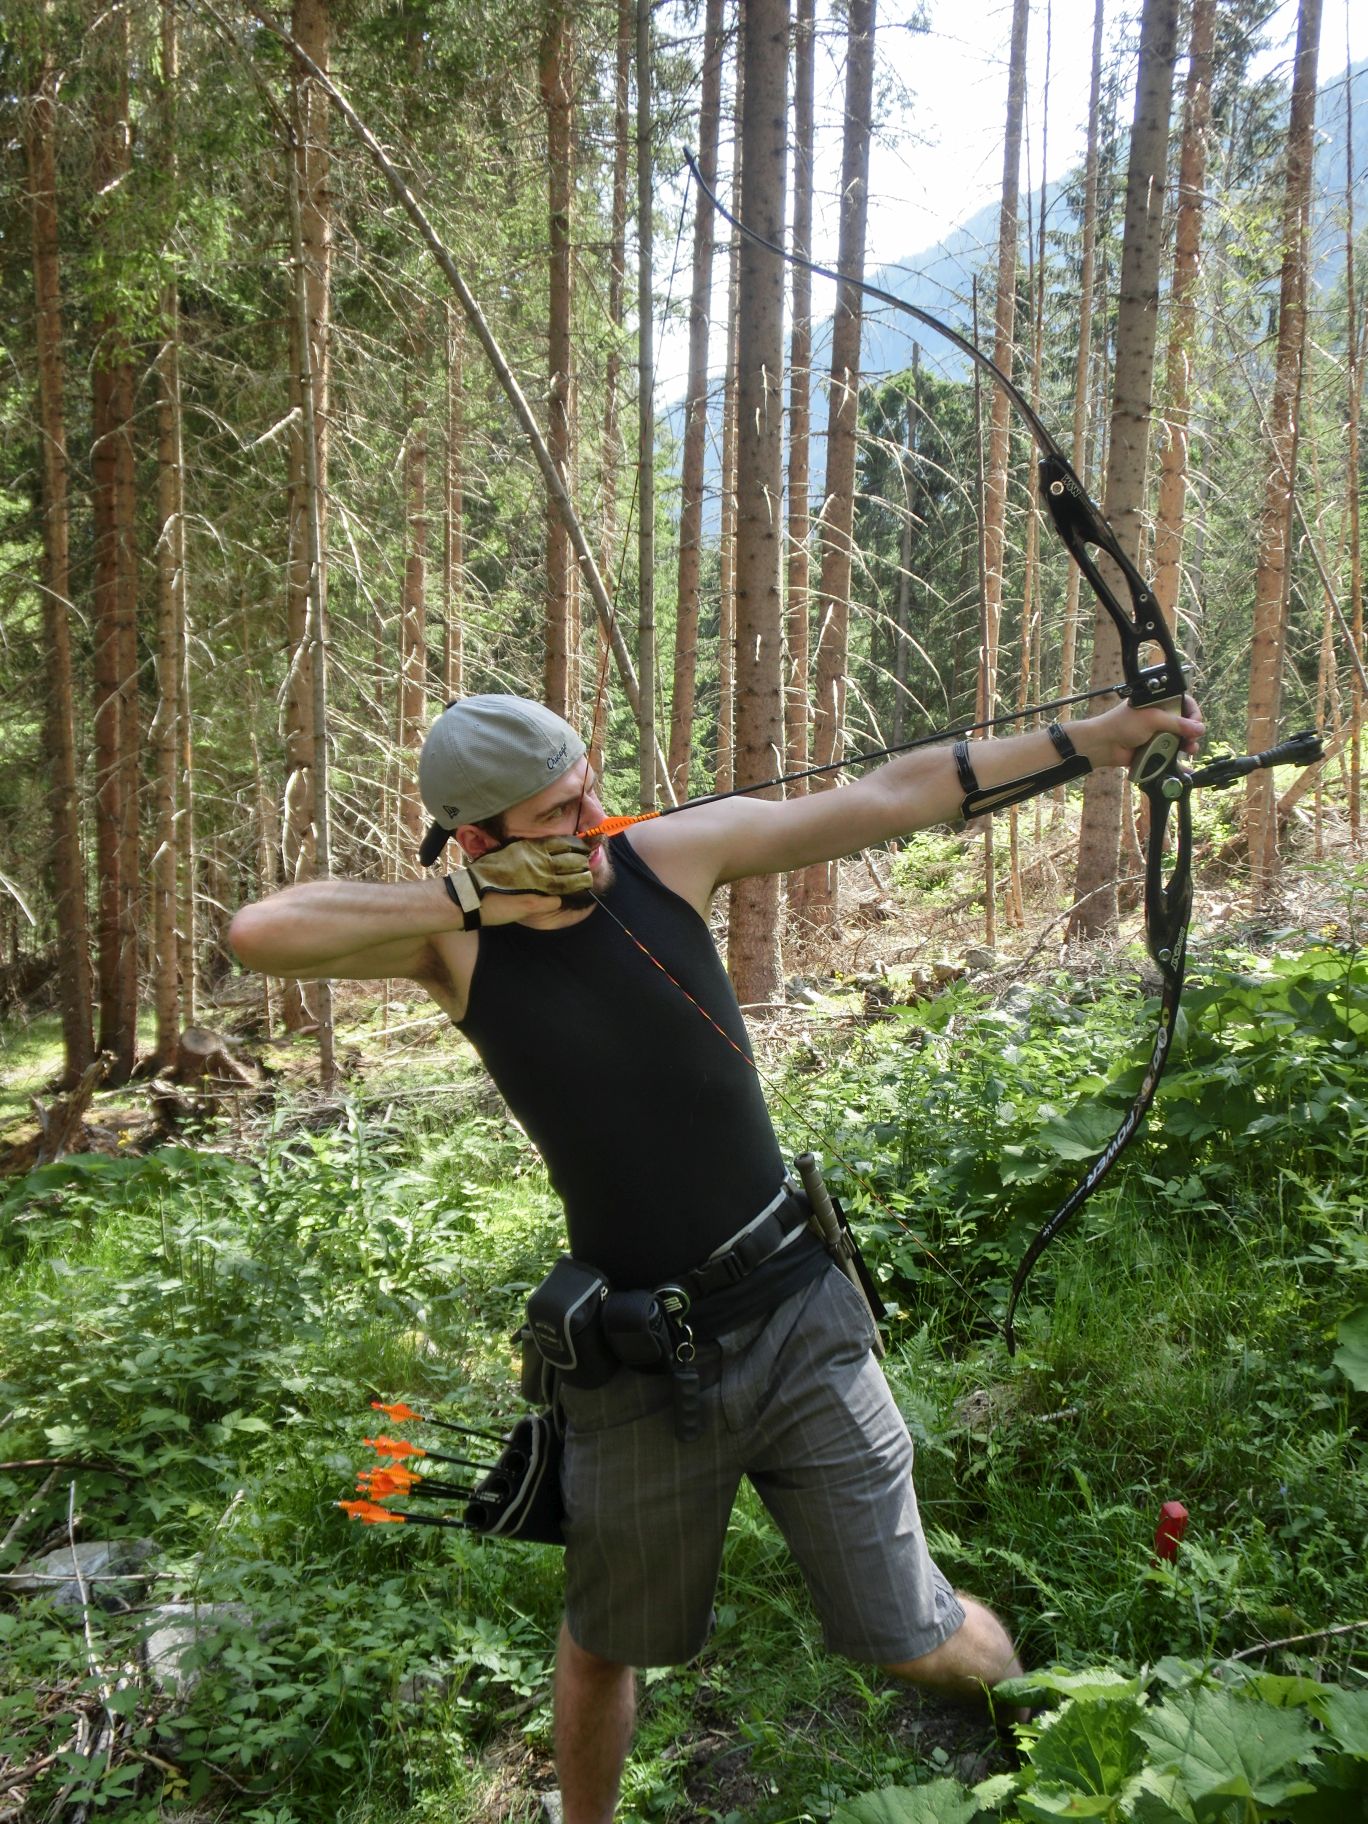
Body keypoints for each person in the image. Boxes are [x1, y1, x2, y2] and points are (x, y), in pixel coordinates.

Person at [229, 689, 1204, 1824]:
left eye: (589, 783)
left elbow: (886, 797)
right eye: (558, 811)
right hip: (639, 1355)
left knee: (913, 1634)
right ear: (483, 834)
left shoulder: (662, 860)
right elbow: (260, 932)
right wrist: (466, 896)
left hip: (798, 1311)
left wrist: (1092, 739)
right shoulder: (450, 944)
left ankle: (1055, 1722)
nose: (593, 814)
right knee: (603, 1646)